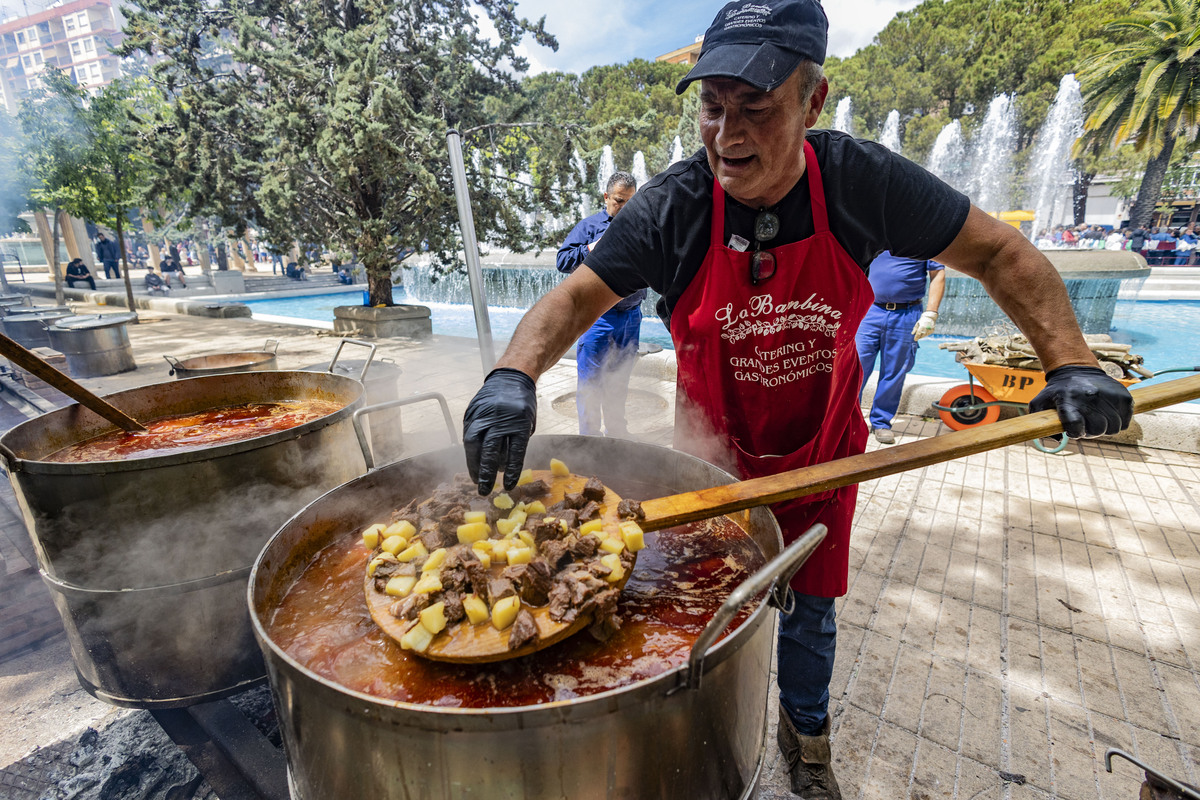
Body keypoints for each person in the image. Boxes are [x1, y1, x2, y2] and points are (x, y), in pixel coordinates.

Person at [459, 2, 1133, 797]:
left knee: (810, 618)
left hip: (822, 459)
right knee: (697, 611)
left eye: (755, 106)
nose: (726, 132)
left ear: (813, 102)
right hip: (708, 473)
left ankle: (806, 749)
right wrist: (512, 378)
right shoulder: (673, 205)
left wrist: (1071, 361)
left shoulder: (860, 182)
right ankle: (696, 749)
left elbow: (998, 250)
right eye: (713, 106)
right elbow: (575, 299)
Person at [556, 172, 644, 437]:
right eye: (619, 201)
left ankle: (617, 435)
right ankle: (589, 440)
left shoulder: (641, 226)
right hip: (598, 317)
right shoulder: (589, 226)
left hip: (631, 316)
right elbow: (562, 261)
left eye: (630, 201)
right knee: (591, 383)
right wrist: (591, 248)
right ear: (606, 197)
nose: (624, 207)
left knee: (620, 382)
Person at [856, 251, 944, 444]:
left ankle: (881, 423)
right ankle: (849, 421)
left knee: (894, 372)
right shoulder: (876, 233)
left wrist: (931, 313)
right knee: (856, 369)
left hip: (906, 313)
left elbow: (938, 275)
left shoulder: (925, 237)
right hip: (870, 310)